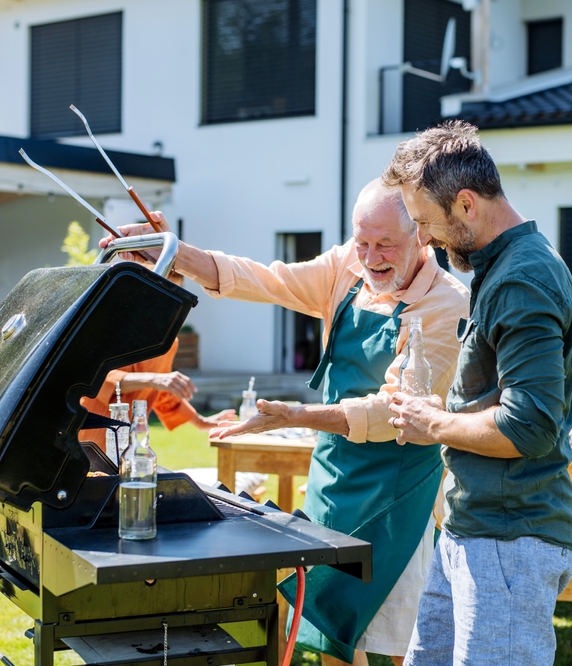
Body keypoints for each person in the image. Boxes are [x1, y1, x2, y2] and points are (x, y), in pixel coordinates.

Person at [103, 179, 469, 666]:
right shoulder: (347, 265)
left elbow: (393, 412)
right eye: (361, 241)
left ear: (422, 235)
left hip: (397, 490)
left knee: (388, 640)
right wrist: (171, 251)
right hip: (334, 474)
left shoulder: (447, 304)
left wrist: (297, 416)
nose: (370, 256)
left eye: (385, 244)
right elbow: (264, 278)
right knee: (327, 631)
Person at [382, 120, 572, 665]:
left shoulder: (522, 279)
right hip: (473, 530)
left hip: (510, 539)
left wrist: (433, 425)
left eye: (424, 222)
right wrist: (439, 409)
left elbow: (529, 427)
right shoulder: (501, 270)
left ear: (466, 204)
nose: (421, 239)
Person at [78, 339, 236, 451]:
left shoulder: (169, 341)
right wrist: (153, 378)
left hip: (131, 443)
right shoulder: (115, 327)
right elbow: (95, 377)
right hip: (90, 435)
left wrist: (201, 422)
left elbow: (162, 392)